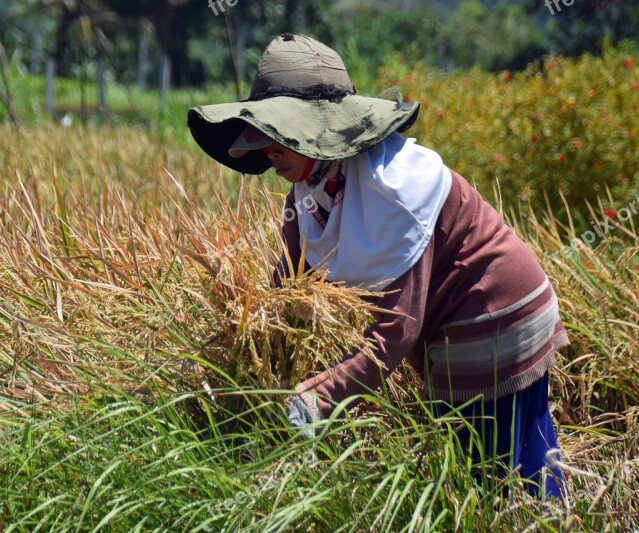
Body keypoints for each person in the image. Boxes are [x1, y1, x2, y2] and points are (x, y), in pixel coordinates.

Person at [187, 33, 568, 499]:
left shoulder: (396, 191)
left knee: (503, 477)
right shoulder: (309, 193)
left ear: (319, 132)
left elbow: (396, 333)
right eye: (264, 135)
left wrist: (318, 398)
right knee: (477, 471)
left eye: (279, 134)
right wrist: (255, 357)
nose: (267, 148)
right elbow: (286, 289)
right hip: (447, 329)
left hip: (493, 316)